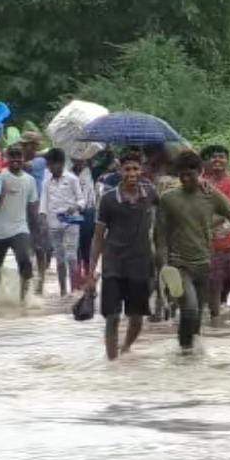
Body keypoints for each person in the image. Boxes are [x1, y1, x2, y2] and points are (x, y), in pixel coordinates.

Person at [156, 151, 230, 353]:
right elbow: (160, 236)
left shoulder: (210, 195)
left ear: (200, 172)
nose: (186, 179)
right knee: (189, 309)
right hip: (179, 264)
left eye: (191, 174)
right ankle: (184, 350)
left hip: (204, 263)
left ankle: (189, 359)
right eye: (182, 175)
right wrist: (163, 266)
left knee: (197, 317)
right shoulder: (168, 199)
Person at [87, 151, 158, 360]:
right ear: (120, 170)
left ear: (142, 170)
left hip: (140, 264)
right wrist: (91, 271)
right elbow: (98, 237)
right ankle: (112, 361)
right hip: (113, 264)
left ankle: (126, 348)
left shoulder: (150, 193)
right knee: (112, 316)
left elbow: (168, 211)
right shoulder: (109, 199)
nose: (132, 173)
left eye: (136, 169)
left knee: (137, 318)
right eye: (127, 169)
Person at [200, 144, 230, 327]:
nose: (217, 160)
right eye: (213, 157)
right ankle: (214, 318)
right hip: (208, 240)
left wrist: (210, 221)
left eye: (221, 157)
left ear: (227, 160)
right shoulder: (201, 181)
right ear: (207, 161)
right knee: (213, 279)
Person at [0, 146, 39, 307]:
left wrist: (36, 234)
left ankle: (23, 300)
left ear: (23, 158)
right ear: (6, 159)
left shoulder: (30, 180)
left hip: (19, 228)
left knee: (25, 262)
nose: (15, 160)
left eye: (18, 156)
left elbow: (33, 208)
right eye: (12, 157)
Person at [39, 148, 85, 296]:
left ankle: (74, 290)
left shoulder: (72, 179)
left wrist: (76, 207)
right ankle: (63, 290)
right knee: (59, 257)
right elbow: (43, 203)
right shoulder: (47, 182)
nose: (51, 168)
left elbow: (82, 199)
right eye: (49, 165)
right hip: (54, 223)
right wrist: (42, 219)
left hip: (71, 221)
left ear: (61, 163)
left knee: (71, 256)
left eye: (53, 164)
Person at [19, 132, 50, 295]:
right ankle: (27, 282)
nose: (24, 148)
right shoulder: (35, 159)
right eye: (23, 145)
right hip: (23, 206)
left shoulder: (39, 161)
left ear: (34, 146)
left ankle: (40, 281)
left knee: (38, 246)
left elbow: (24, 166)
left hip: (37, 207)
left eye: (27, 145)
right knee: (25, 247)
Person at [71, 156, 97, 283]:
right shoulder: (68, 173)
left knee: (86, 244)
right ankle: (77, 275)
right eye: (77, 158)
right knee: (74, 244)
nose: (79, 161)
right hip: (73, 211)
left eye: (82, 159)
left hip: (88, 212)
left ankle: (88, 273)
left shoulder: (90, 171)